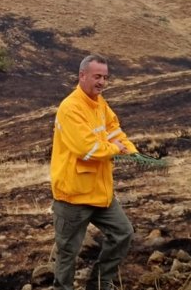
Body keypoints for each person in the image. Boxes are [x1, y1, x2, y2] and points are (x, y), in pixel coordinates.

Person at [50, 54, 137, 290]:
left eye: (105, 77)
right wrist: (114, 149)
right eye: (97, 76)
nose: (102, 82)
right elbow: (85, 149)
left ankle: (99, 283)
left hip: (100, 191)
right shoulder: (70, 108)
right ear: (82, 76)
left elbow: (112, 129)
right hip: (74, 194)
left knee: (123, 233)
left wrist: (130, 149)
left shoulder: (99, 103)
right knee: (68, 252)